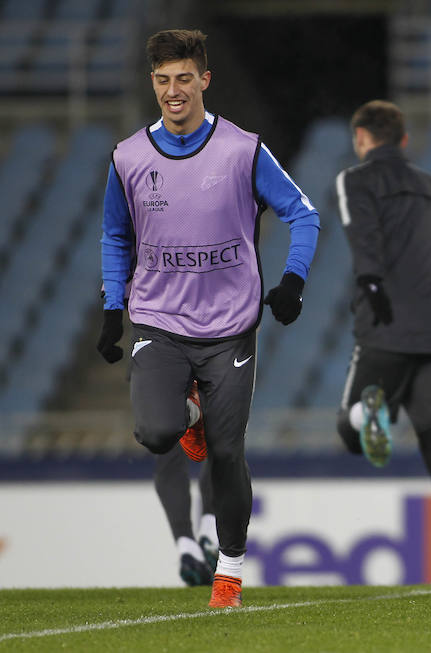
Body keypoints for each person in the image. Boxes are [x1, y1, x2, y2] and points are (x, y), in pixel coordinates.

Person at [96, 29, 319, 607]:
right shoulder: (128, 157)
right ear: (153, 84)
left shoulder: (243, 149)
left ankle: (230, 570)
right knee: (155, 433)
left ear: (205, 81)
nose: (174, 92)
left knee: (225, 452)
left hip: (229, 326)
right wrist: (109, 308)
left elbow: (305, 214)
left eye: (184, 80)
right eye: (163, 81)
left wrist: (293, 279)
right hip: (159, 320)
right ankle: (186, 414)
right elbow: (115, 235)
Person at [334, 100, 431, 585]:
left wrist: (374, 283)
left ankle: (368, 412)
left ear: (361, 139)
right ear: (404, 140)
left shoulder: (355, 180)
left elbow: (363, 238)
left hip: (386, 326)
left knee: (350, 435)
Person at [154, 382, 219, 587]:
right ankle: (210, 532)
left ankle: (187, 547)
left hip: (156, 359)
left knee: (168, 450)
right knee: (223, 435)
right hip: (210, 358)